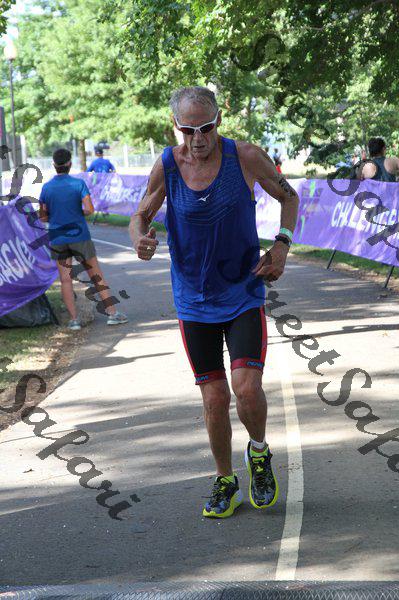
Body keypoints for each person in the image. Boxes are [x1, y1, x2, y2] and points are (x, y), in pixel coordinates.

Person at [130, 86, 298, 519]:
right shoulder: (168, 164)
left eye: (205, 128)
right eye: (188, 130)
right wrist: (139, 238)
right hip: (193, 299)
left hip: (242, 292)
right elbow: (141, 214)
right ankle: (226, 480)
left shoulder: (246, 157)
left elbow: (289, 196)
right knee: (214, 398)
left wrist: (281, 244)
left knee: (247, 388)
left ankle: (258, 453)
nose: (197, 138)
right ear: (175, 126)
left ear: (218, 120)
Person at [39, 148, 128, 330]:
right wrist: (76, 212)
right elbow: (89, 209)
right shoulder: (78, 184)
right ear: (70, 164)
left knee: (65, 280)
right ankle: (112, 314)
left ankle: (74, 320)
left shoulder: (46, 188)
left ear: (54, 165)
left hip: (58, 237)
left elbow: (43, 216)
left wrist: (57, 216)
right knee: (95, 275)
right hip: (79, 235)